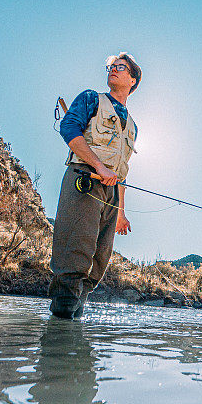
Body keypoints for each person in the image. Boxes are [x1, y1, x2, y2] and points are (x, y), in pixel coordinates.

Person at [48, 52, 141, 319]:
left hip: (111, 195)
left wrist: (121, 212)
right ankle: (60, 328)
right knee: (74, 255)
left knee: (98, 262)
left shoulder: (133, 126)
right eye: (112, 66)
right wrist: (99, 166)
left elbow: (123, 172)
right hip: (84, 181)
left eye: (121, 67)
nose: (113, 69)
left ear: (132, 80)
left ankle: (74, 324)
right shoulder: (91, 98)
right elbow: (69, 129)